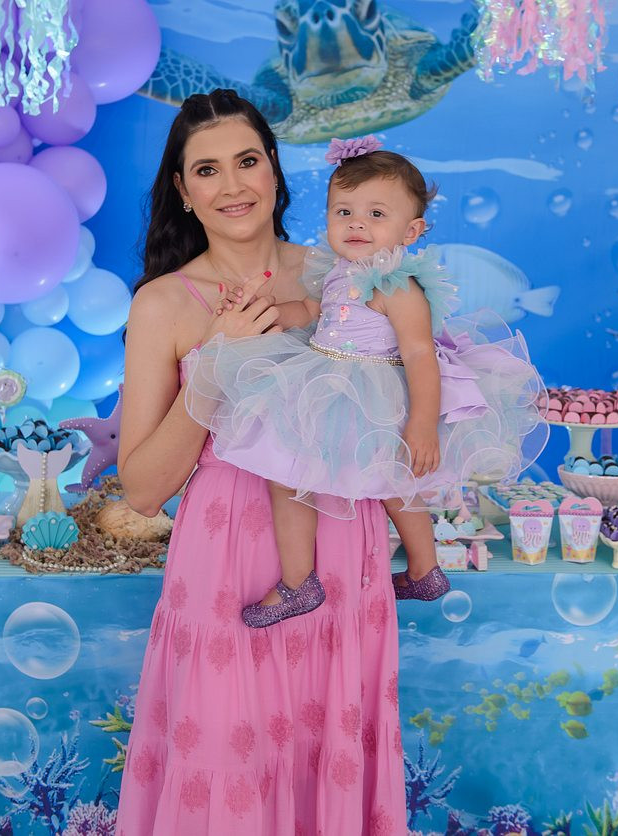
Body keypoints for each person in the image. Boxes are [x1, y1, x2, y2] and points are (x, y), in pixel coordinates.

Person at [115, 91, 407, 835]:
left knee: (327, 749)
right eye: (206, 170)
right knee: (229, 763)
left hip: (339, 541)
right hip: (225, 560)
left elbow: (402, 396)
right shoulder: (163, 305)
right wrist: (215, 366)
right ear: (183, 191)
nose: (232, 185)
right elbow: (143, 489)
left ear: (274, 169)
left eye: (247, 160)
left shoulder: (345, 272)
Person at [185, 136, 548, 629]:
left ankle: (403, 570)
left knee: (380, 480)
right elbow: (312, 311)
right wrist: (268, 312)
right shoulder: (340, 270)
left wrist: (422, 424)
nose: (357, 224)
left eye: (376, 214)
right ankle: (343, 577)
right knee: (306, 475)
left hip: (371, 393)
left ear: (411, 230)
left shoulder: (399, 285)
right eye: (344, 212)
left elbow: (420, 353)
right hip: (326, 378)